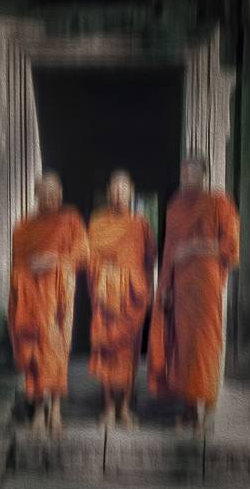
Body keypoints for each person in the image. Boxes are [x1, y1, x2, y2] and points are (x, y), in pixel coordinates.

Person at [147, 157, 239, 436]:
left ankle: (206, 415)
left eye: (193, 172)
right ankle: (188, 411)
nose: (187, 176)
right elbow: (170, 251)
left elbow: (232, 248)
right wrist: (164, 287)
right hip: (180, 288)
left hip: (206, 287)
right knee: (182, 348)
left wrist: (197, 247)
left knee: (205, 347)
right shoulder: (174, 206)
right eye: (184, 171)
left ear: (204, 176)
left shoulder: (220, 202)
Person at [8, 171, 89, 438]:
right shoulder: (23, 227)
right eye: (44, 192)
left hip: (59, 300)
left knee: (56, 351)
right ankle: (39, 410)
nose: (49, 197)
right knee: (34, 355)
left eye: (54, 192)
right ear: (35, 194)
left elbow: (82, 254)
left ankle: (55, 409)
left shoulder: (71, 221)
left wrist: (52, 260)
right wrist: (31, 269)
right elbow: (18, 266)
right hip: (32, 302)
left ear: (62, 195)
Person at [88, 170, 156, 429]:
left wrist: (147, 290)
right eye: (114, 189)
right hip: (105, 296)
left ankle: (125, 407)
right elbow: (89, 257)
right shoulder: (97, 222)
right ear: (108, 193)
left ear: (131, 193)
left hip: (131, 297)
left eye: (123, 189)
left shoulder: (141, 224)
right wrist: (105, 275)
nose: (118, 194)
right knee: (105, 350)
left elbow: (149, 261)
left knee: (129, 354)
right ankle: (107, 407)